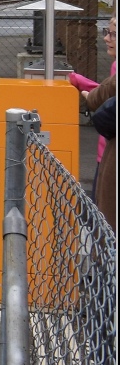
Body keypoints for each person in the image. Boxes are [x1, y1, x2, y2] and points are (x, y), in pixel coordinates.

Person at [77, 16, 115, 230]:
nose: (107, 38)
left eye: (114, 34)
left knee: (104, 221)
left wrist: (87, 92)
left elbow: (100, 98)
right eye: (106, 32)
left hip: (108, 155)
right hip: (105, 153)